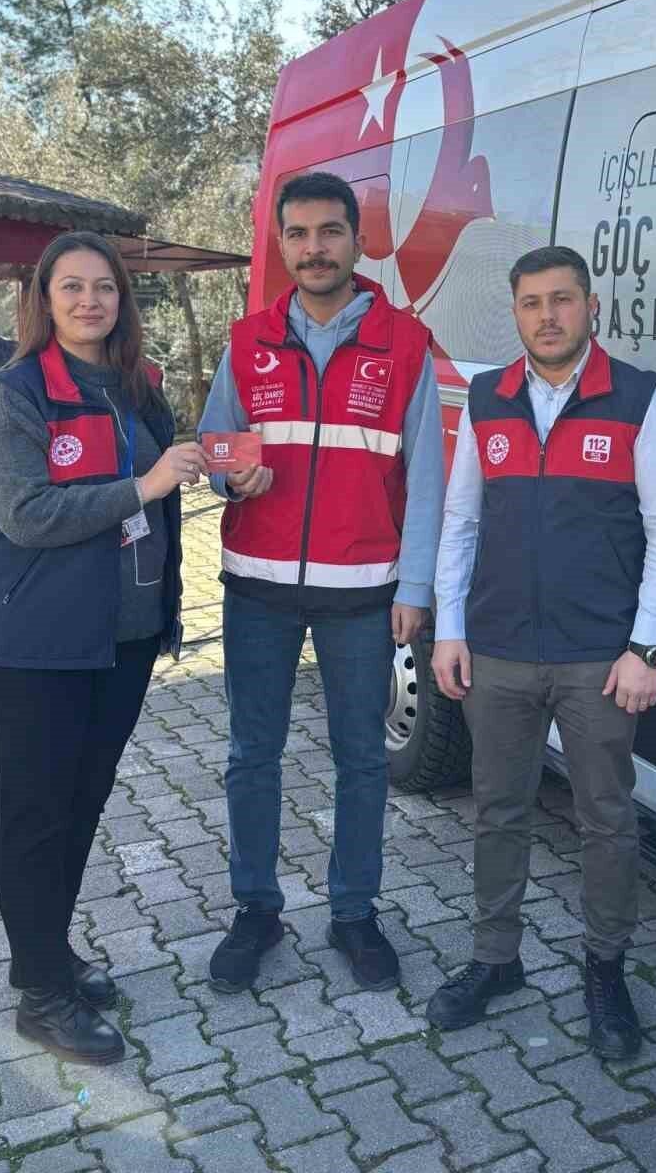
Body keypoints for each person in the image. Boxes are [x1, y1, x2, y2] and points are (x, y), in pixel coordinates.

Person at [427, 244, 656, 1059]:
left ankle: (605, 972)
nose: (548, 316)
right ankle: (495, 959)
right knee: (498, 809)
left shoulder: (640, 401)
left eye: (563, 299)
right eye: (532, 303)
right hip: (498, 649)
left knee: (605, 820)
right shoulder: (488, 399)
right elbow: (462, 521)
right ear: (515, 312)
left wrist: (647, 649)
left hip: (598, 658)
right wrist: (449, 628)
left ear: (591, 306)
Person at [0, 231, 208, 1066]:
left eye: (104, 287)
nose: (89, 301)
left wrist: (208, 474)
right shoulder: (15, 395)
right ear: (44, 298)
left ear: (122, 300)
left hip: (123, 639)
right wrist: (145, 485)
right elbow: (26, 514)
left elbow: (163, 497)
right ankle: (41, 998)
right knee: (36, 816)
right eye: (71, 287)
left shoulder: (139, 388)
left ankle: (45, 953)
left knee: (81, 803)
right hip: (34, 644)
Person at [199, 171, 444, 995]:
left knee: (362, 759)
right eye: (299, 234)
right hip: (257, 588)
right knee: (251, 756)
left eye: (331, 231)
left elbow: (429, 479)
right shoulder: (248, 341)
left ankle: (354, 913)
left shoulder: (404, 344)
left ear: (357, 240)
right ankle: (256, 911)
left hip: (364, 591)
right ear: (281, 244)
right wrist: (230, 478)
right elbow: (217, 443)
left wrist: (416, 587)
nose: (315, 248)